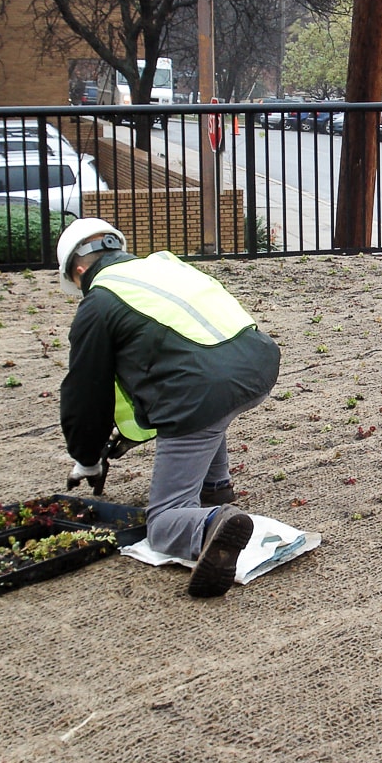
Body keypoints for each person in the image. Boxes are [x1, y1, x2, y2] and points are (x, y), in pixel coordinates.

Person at [56, 218, 281, 598]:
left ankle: (212, 524)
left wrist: (87, 458)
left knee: (162, 523)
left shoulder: (99, 302)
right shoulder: (163, 265)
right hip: (259, 363)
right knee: (212, 402)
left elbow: (85, 391)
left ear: (79, 269)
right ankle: (215, 486)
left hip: (203, 393)